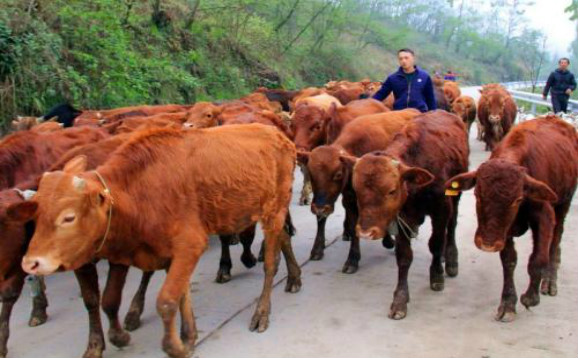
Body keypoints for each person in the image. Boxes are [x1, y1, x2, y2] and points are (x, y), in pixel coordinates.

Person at [373, 48, 437, 113]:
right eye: (401, 59)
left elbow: (430, 98)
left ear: (413, 58)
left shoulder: (424, 76)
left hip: (420, 114)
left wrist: (433, 113)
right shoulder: (392, 78)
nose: (403, 61)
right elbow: (380, 95)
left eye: (406, 58)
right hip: (400, 115)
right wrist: (366, 104)